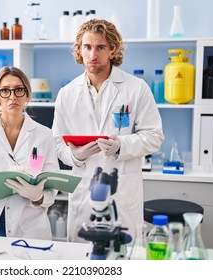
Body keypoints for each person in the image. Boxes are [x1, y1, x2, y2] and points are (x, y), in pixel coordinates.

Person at [52, 19, 164, 242]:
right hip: (83, 190)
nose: (93, 54)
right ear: (79, 50)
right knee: (81, 260)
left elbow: (154, 136)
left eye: (100, 47)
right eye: (87, 47)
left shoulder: (136, 88)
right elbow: (56, 142)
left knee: (122, 258)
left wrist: (121, 145)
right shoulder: (67, 93)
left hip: (121, 191)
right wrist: (75, 155)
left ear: (112, 49)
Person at [0, 66, 59, 240]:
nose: (13, 96)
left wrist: (37, 196)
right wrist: (3, 185)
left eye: (18, 90)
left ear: (28, 95)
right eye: (5, 91)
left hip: (29, 229)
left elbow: (52, 189)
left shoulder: (44, 135)